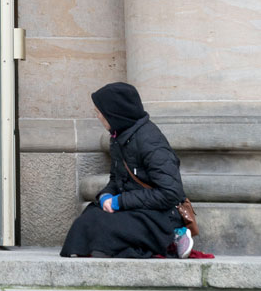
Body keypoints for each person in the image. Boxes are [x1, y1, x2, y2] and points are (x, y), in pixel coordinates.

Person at [60, 82, 195, 258]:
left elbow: (170, 193)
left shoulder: (151, 142)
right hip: (134, 207)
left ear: (115, 112)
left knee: (106, 230)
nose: (99, 116)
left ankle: (174, 236)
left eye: (100, 112)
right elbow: (117, 179)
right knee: (88, 218)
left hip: (160, 215)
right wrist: (106, 196)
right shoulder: (119, 137)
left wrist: (120, 202)